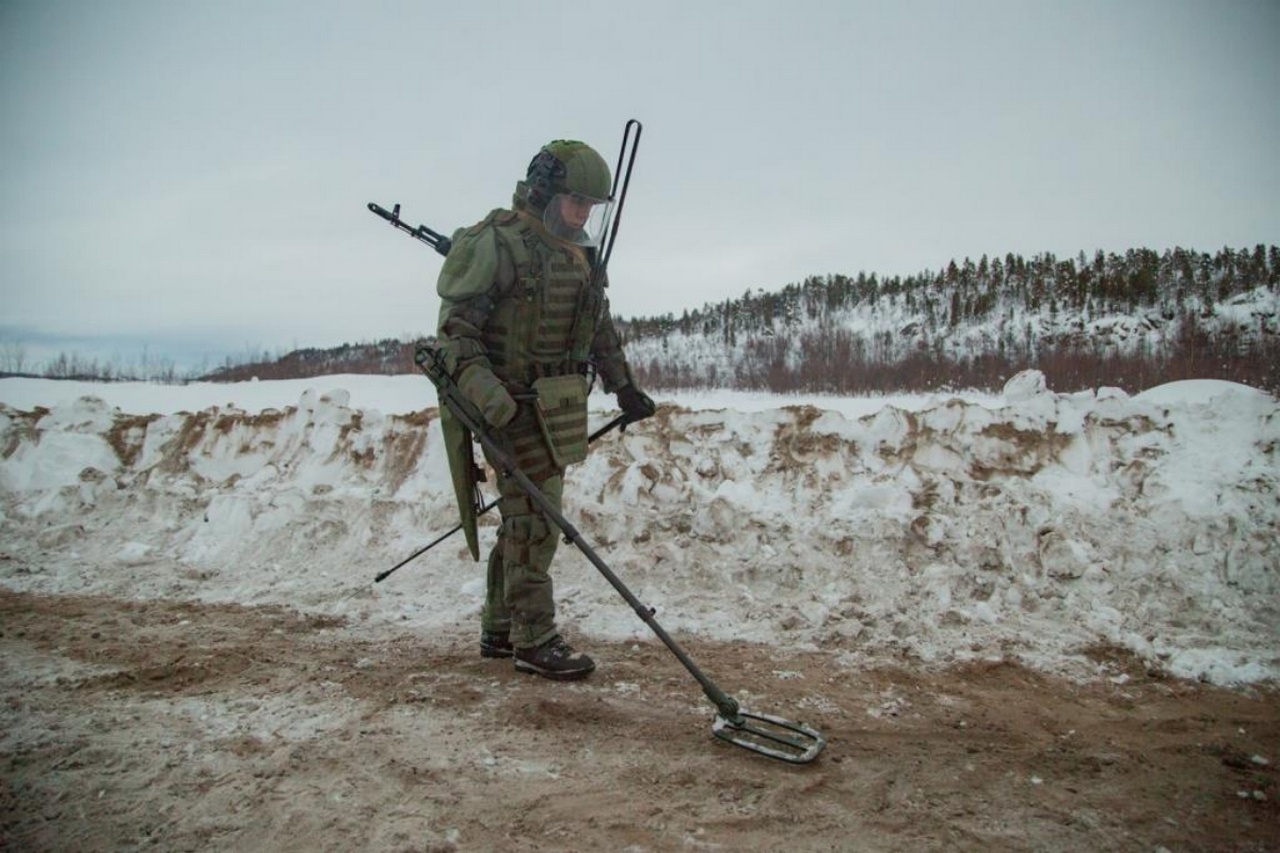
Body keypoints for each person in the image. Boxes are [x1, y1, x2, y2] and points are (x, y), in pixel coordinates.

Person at [434, 139, 656, 680]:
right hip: (509, 404)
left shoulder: (578, 254)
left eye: (590, 206)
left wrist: (622, 385)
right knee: (536, 520)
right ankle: (535, 638)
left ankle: (501, 625)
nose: (583, 214)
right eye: (576, 201)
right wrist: (492, 400)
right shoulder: (498, 244)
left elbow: (595, 324)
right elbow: (455, 337)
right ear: (545, 194)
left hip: (555, 406)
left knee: (523, 517)